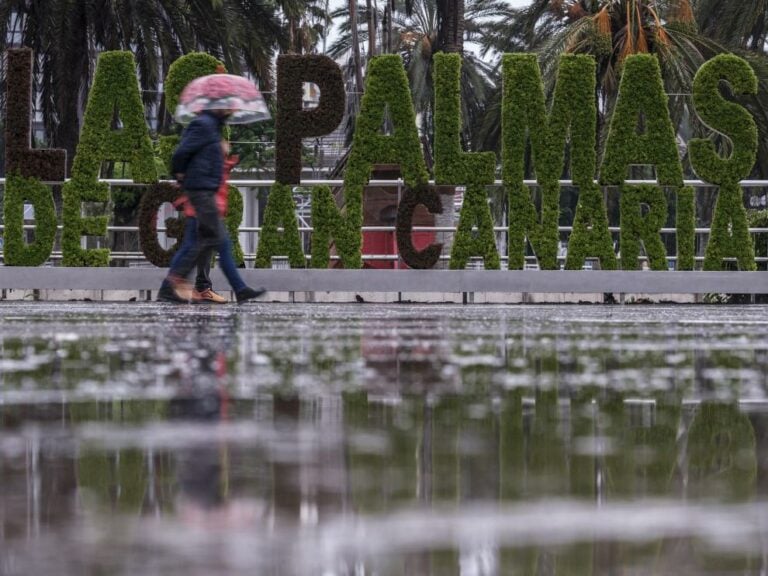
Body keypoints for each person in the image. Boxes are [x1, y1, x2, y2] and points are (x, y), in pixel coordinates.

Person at [158, 109, 265, 304]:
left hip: (204, 193)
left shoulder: (212, 127)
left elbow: (205, 160)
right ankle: (237, 288)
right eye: (229, 105)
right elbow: (181, 154)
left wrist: (220, 151)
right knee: (217, 243)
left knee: (199, 243)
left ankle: (169, 288)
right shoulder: (204, 125)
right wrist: (179, 174)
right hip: (202, 194)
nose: (233, 109)